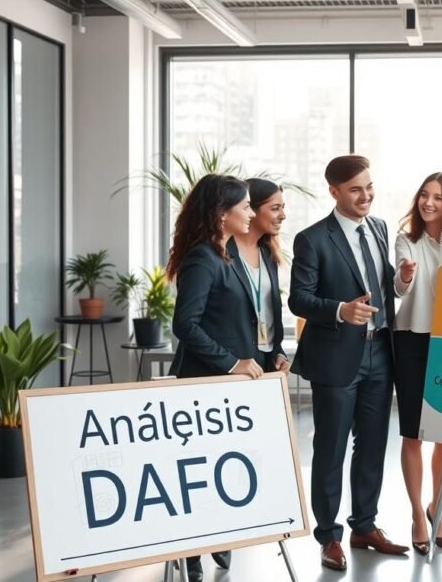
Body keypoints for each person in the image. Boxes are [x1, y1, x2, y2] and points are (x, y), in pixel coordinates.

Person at [288, 155, 407, 571]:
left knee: (373, 445)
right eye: (356, 189)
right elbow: (299, 299)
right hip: (337, 356)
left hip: (380, 351)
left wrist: (401, 281)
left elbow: (383, 281)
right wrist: (340, 310)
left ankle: (364, 526)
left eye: (369, 186)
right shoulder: (312, 239)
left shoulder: (378, 228)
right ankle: (329, 536)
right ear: (334, 191)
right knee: (331, 447)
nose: (366, 196)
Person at [166, 173, 258, 582]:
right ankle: (192, 556)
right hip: (203, 385)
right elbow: (185, 324)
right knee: (199, 474)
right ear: (223, 215)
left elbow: (236, 319)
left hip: (226, 390)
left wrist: (257, 359)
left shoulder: (228, 254)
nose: (252, 214)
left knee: (221, 470)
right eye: (245, 208)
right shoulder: (202, 258)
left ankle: (216, 539)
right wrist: (231, 363)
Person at [393, 172, 442, 555]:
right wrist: (404, 277)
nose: (429, 203)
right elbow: (401, 286)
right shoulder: (408, 239)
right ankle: (417, 516)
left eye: (438, 197)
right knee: (413, 433)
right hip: (411, 339)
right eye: (424, 195)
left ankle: (438, 504)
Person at [234, 177, 291, 374]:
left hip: (264, 362)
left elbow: (268, 313)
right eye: (275, 208)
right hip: (234, 365)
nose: (283, 215)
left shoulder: (268, 254)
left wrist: (278, 352)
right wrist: (232, 363)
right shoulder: (221, 254)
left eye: (282, 207)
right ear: (251, 209)